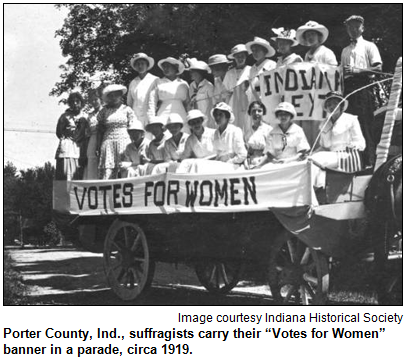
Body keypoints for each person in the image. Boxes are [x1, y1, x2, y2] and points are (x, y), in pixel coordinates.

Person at [341, 15, 383, 166]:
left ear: (362, 28)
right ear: (347, 29)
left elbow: (378, 68)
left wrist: (357, 71)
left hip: (363, 87)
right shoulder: (345, 50)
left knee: (365, 123)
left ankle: (369, 162)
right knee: (349, 124)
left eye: (356, 26)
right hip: (348, 89)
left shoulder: (369, 46)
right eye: (350, 27)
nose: (353, 29)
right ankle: (353, 162)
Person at [310, 92, 366, 173]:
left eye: (335, 104)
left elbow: (361, 143)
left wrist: (353, 146)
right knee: (311, 160)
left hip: (346, 157)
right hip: (330, 156)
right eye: (329, 105)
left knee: (317, 160)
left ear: (341, 105)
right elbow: (324, 147)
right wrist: (311, 154)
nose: (332, 107)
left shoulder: (351, 119)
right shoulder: (324, 124)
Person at [97, 84, 135, 179]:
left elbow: (132, 127)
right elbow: (100, 130)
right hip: (108, 141)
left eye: (116, 95)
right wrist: (98, 146)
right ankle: (107, 191)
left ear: (120, 95)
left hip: (124, 140)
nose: (114, 98)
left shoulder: (127, 110)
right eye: (111, 95)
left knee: (123, 168)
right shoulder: (104, 111)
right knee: (108, 169)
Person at [257, 102, 309, 168]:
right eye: (280, 114)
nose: (283, 117)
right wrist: (274, 161)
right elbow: (269, 153)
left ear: (291, 116)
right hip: (276, 163)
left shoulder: (298, 130)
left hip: (294, 163)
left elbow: (303, 153)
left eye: (286, 114)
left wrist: (288, 161)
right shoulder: (272, 133)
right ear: (277, 116)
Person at [148, 57, 189, 130]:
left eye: (168, 66)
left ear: (175, 68)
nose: (165, 69)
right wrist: (152, 119)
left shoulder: (183, 84)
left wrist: (190, 118)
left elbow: (188, 103)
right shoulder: (158, 82)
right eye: (164, 67)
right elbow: (152, 102)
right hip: (163, 115)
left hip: (181, 115)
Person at [55, 92, 87, 180]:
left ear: (81, 102)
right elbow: (59, 132)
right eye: (72, 102)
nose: (75, 103)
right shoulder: (65, 116)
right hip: (67, 149)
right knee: (64, 176)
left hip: (80, 150)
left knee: (78, 177)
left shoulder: (86, 116)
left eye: (77, 101)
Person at [245, 37, 277, 124]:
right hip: (254, 103)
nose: (255, 53)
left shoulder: (272, 65)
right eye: (253, 50)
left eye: (258, 50)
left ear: (265, 51)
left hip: (267, 102)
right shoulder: (252, 69)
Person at [127, 53, 158, 135]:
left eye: (142, 64)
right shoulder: (133, 82)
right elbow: (129, 103)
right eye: (138, 64)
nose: (140, 66)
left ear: (147, 65)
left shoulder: (155, 80)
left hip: (150, 116)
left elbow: (159, 99)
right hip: (136, 117)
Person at [223, 44, 251, 135]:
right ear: (234, 58)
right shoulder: (229, 73)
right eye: (238, 56)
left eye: (242, 56)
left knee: (247, 123)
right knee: (234, 124)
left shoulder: (251, 70)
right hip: (233, 102)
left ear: (246, 57)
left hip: (247, 101)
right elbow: (226, 92)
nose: (240, 59)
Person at [212, 102, 247, 167]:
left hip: (233, 167)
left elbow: (242, 154)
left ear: (227, 117)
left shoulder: (235, 131)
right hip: (218, 167)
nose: (217, 117)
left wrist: (229, 163)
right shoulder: (215, 134)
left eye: (220, 114)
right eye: (216, 115)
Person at [245, 101, 273, 168]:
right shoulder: (248, 132)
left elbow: (271, 151)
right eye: (253, 111)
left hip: (265, 161)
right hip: (251, 161)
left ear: (263, 112)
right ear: (250, 113)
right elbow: (247, 151)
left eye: (259, 111)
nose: (256, 113)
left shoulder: (268, 130)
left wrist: (259, 163)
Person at [83, 88, 102, 179]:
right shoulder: (90, 115)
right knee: (91, 161)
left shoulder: (105, 112)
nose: (94, 102)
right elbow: (87, 132)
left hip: (103, 138)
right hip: (92, 139)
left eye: (96, 99)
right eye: (92, 100)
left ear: (101, 99)